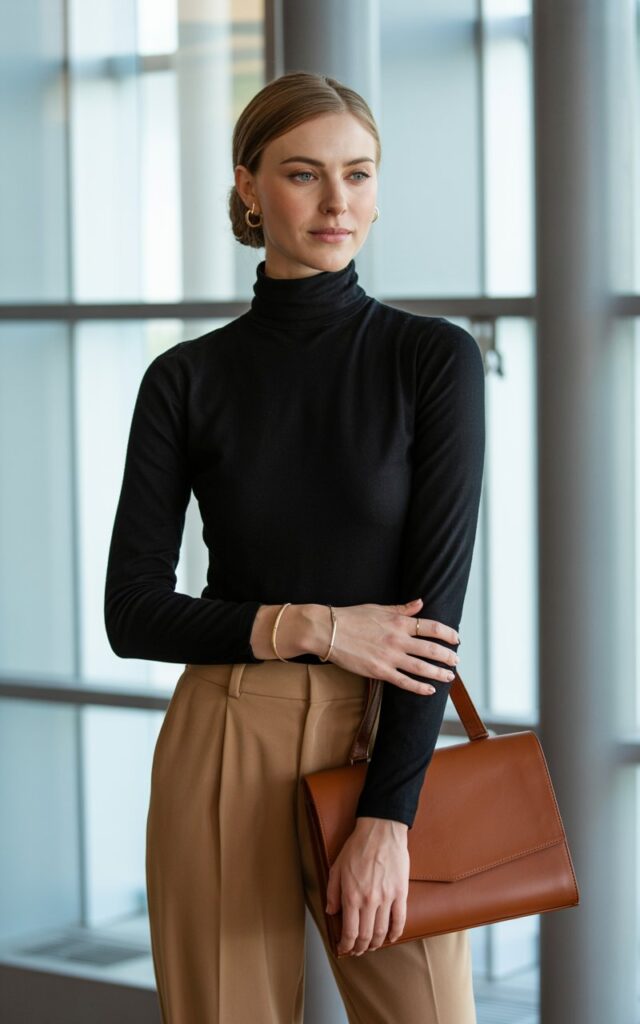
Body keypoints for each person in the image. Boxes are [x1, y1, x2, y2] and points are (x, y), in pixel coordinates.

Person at [104, 70, 485, 1024]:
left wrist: (388, 819)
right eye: (304, 174)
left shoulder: (431, 360)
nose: (336, 202)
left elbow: (431, 616)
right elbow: (132, 612)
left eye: (357, 175)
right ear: (247, 185)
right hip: (226, 730)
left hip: (384, 733)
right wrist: (317, 627)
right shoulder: (184, 380)